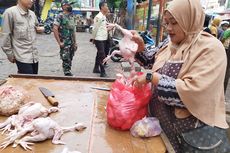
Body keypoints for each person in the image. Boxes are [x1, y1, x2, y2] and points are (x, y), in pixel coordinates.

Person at [132, 0, 230, 152]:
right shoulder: (170, 43)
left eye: (175, 23)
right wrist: (140, 48)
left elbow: (193, 92)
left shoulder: (210, 49)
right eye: (166, 23)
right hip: (168, 133)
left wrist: (153, 78)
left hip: (197, 139)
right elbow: (153, 61)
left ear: (189, 19)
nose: (169, 28)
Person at [1, 0, 43, 74]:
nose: (32, 1)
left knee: (34, 79)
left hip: (34, 56)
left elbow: (37, 27)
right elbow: (5, 35)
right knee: (27, 81)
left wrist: (40, 29)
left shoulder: (32, 14)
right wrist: (10, 54)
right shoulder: (10, 13)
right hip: (21, 56)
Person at [53, 0, 77, 76]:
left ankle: (68, 71)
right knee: (66, 58)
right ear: (63, 6)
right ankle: (67, 74)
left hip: (71, 42)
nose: (70, 6)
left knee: (71, 57)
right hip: (65, 42)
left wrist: (75, 42)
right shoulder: (60, 16)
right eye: (68, 5)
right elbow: (55, 29)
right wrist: (59, 42)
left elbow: (73, 30)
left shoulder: (71, 16)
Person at [91, 1, 109, 77]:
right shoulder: (98, 17)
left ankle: (95, 68)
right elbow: (95, 29)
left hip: (104, 38)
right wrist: (93, 38)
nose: (107, 8)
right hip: (99, 39)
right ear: (102, 7)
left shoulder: (104, 16)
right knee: (102, 54)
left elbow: (103, 28)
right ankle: (102, 71)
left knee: (99, 54)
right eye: (106, 6)